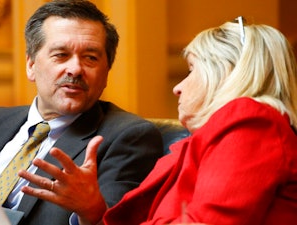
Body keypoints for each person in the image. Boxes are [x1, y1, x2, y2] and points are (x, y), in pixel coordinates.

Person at [19, 17, 297, 225]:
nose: (178, 87)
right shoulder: (218, 135)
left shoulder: (251, 120)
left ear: (225, 74)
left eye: (191, 71)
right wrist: (92, 209)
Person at [0, 1, 163, 225]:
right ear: (31, 65)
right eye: (61, 55)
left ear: (106, 72)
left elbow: (115, 221)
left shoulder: (129, 136)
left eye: (90, 58)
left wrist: (92, 212)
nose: (75, 69)